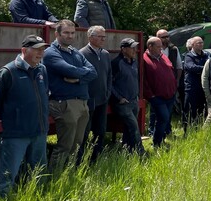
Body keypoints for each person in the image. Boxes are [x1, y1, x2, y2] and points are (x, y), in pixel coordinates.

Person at [0, 34, 49, 197]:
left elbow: (44, 94)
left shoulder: (42, 69)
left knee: (39, 173)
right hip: (16, 134)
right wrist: (12, 118)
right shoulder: (8, 71)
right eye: (37, 49)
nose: (41, 53)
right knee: (8, 176)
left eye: (43, 49)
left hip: (39, 132)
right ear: (24, 50)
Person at [42, 20, 97, 171]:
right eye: (66, 33)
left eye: (72, 33)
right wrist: (80, 74)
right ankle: (55, 179)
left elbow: (93, 72)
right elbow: (69, 71)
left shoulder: (75, 52)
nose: (70, 36)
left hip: (82, 103)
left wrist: (78, 78)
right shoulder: (50, 53)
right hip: (64, 103)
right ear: (57, 34)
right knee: (65, 145)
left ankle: (69, 175)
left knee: (77, 144)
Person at [78, 26, 112, 164]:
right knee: (84, 133)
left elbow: (109, 75)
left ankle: (95, 159)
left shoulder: (105, 54)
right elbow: (79, 77)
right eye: (100, 36)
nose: (103, 39)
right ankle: (80, 161)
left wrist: (107, 92)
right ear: (90, 37)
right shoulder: (82, 54)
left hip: (102, 99)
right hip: (88, 100)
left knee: (100, 131)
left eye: (104, 37)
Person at [110, 38, 144, 155]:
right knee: (134, 128)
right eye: (132, 47)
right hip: (122, 103)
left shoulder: (134, 62)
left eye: (135, 47)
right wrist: (119, 97)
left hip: (134, 101)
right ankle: (141, 154)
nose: (135, 50)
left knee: (128, 129)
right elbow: (109, 83)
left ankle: (127, 151)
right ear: (123, 49)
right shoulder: (116, 63)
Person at [142, 36, 177, 148]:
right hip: (157, 96)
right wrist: (150, 95)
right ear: (150, 46)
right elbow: (143, 80)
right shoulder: (144, 60)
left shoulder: (163, 57)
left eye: (161, 47)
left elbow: (171, 71)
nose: (161, 49)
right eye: (158, 47)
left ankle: (161, 140)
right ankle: (157, 143)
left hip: (170, 94)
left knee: (165, 120)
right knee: (163, 118)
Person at [183, 36, 209, 132]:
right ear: (193, 45)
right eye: (198, 43)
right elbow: (191, 67)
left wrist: (201, 69)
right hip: (191, 87)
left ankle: (198, 129)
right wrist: (205, 69)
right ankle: (187, 131)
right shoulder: (189, 56)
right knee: (189, 110)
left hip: (202, 87)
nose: (201, 44)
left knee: (201, 109)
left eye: (202, 42)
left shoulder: (206, 55)